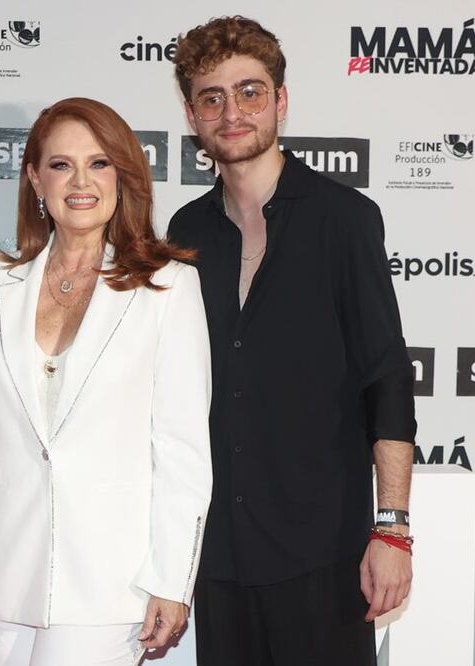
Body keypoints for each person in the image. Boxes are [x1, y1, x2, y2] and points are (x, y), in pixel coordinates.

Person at [168, 17, 418, 666]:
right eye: (211, 97)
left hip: (322, 550)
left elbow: (385, 375)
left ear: (280, 100)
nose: (232, 112)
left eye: (249, 92)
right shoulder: (185, 231)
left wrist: (390, 529)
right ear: (190, 113)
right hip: (218, 552)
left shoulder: (343, 219)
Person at [0, 97, 212, 666]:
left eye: (99, 163)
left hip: (111, 583)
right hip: (1, 580)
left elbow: (181, 448)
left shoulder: (168, 288)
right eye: (61, 165)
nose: (80, 181)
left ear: (123, 177)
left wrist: (171, 579)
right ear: (34, 176)